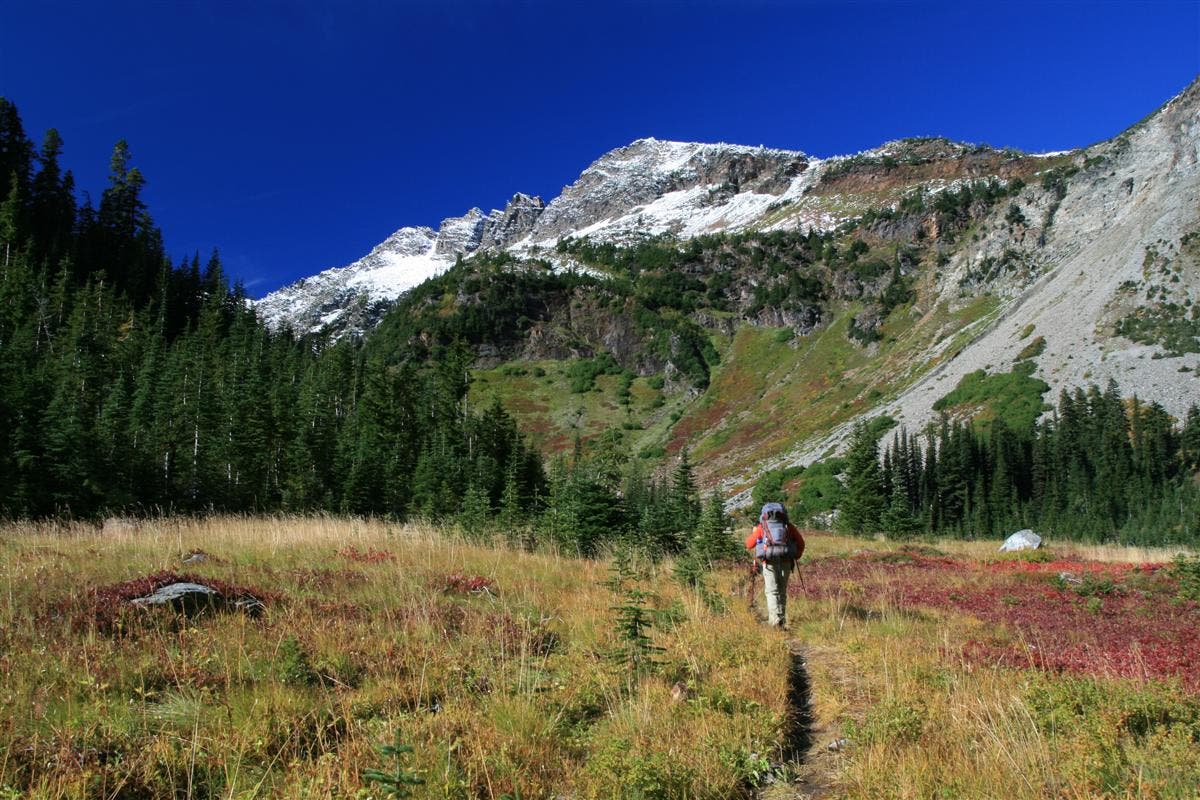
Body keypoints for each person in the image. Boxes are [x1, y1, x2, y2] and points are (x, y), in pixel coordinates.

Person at [745, 502, 805, 629]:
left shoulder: (762, 527)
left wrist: (755, 532)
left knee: (772, 591)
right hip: (786, 561)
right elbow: (801, 543)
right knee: (782, 591)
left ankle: (775, 620)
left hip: (769, 562)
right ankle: (781, 619)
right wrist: (796, 556)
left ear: (765, 515)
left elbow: (749, 544)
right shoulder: (788, 527)